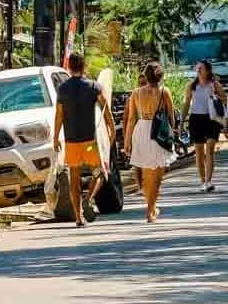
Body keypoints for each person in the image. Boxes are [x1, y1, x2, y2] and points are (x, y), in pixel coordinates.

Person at [53, 52, 116, 228]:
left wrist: (55, 138)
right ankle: (88, 198)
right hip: (89, 142)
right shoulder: (94, 87)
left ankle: (78, 217)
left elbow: (59, 115)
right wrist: (111, 129)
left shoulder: (62, 89)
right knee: (100, 172)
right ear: (84, 67)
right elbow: (105, 109)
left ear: (69, 68)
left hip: (71, 142)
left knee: (74, 178)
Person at [125, 61, 177, 223]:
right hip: (158, 131)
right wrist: (172, 132)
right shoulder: (164, 91)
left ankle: (152, 208)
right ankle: (150, 211)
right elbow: (171, 116)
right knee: (156, 176)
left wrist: (127, 141)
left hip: (141, 130)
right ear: (160, 76)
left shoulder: (136, 93)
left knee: (148, 174)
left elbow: (132, 118)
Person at [181, 60, 225, 193]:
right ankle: (202, 180)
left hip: (212, 119)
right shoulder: (191, 86)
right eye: (197, 68)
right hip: (196, 119)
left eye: (201, 68)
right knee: (199, 152)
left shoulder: (214, 84)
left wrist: (216, 97)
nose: (198, 70)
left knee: (210, 149)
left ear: (207, 70)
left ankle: (208, 181)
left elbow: (224, 99)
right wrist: (182, 120)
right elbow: (187, 104)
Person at [123, 72, 147, 193]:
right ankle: (141, 186)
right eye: (140, 83)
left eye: (145, 83)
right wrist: (126, 136)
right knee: (137, 162)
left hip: (150, 132)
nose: (142, 85)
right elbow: (127, 118)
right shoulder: (133, 97)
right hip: (136, 133)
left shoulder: (154, 95)